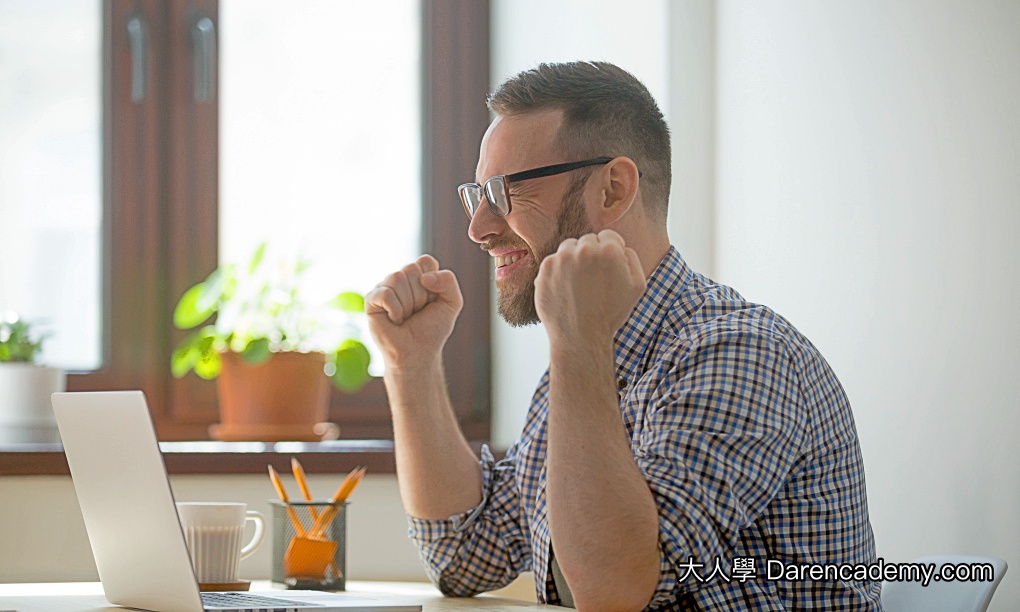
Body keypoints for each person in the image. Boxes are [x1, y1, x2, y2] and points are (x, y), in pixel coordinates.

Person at [365, 61, 880, 611]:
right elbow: (465, 554)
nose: (480, 228)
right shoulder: (585, 364)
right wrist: (411, 366)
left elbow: (614, 589)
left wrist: (578, 344)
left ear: (613, 189)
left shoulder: (742, 354)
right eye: (477, 195)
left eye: (505, 190)